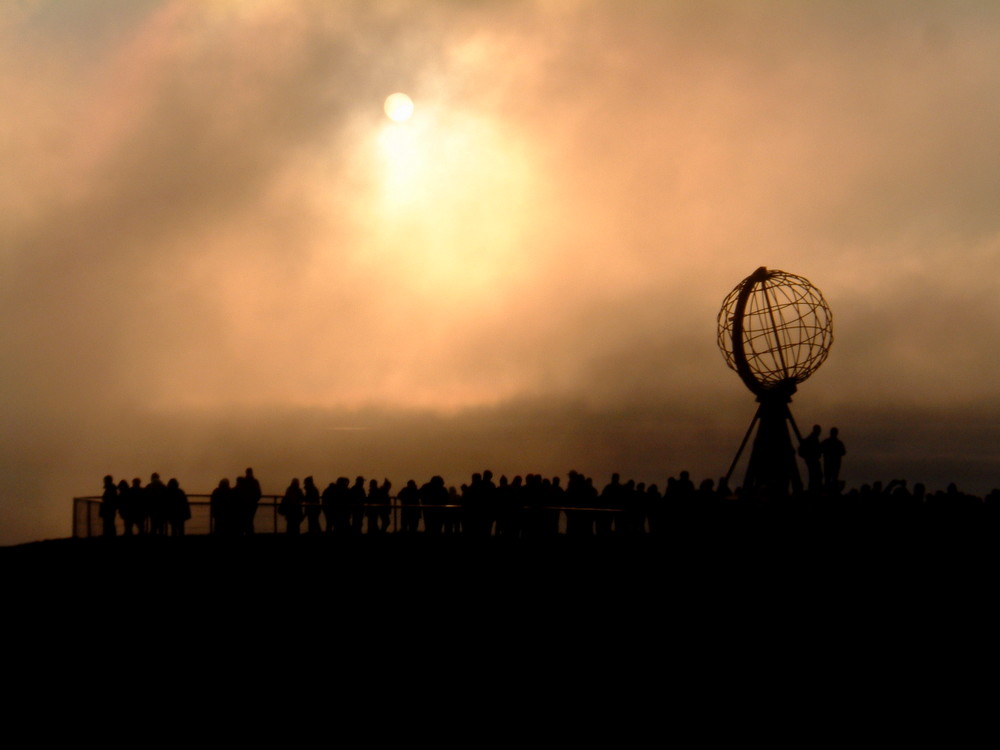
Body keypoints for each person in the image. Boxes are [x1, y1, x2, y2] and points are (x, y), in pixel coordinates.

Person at [798, 425, 823, 492]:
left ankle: (813, 489)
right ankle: (814, 490)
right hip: (812, 460)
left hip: (811, 460)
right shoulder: (813, 439)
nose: (820, 432)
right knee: (815, 475)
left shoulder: (813, 438)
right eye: (819, 430)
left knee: (814, 475)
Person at [821, 427, 846, 492]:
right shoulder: (838, 443)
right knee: (830, 478)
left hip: (831, 464)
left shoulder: (827, 442)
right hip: (832, 464)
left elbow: (843, 452)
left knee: (830, 478)